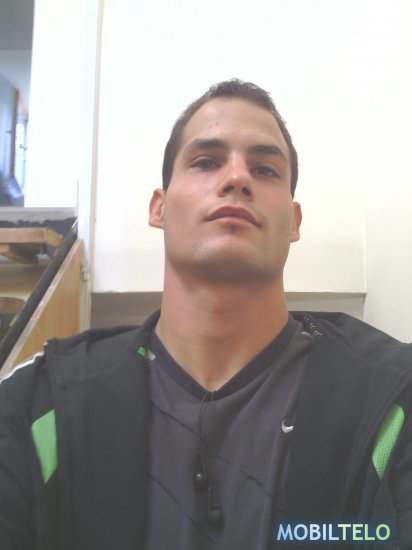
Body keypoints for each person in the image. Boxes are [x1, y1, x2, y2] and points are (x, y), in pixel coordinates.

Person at [0, 79, 411, 550]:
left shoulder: (394, 397)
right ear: (158, 208)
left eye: (265, 169)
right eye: (206, 162)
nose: (237, 178)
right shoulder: (38, 403)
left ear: (295, 222)